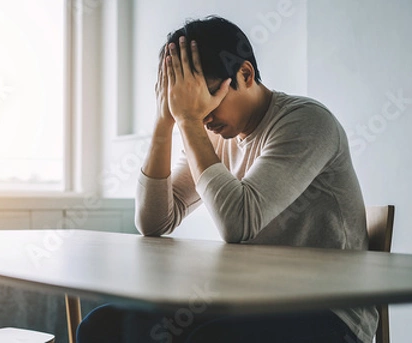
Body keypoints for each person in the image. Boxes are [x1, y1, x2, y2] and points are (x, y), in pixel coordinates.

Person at [77, 15, 378, 343]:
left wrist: (189, 120)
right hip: (251, 302)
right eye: (190, 104)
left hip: (328, 313)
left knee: (208, 338)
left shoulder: (306, 122)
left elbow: (239, 222)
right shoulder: (217, 136)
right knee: (103, 325)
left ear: (245, 74)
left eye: (207, 98)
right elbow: (154, 221)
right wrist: (165, 121)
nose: (204, 117)